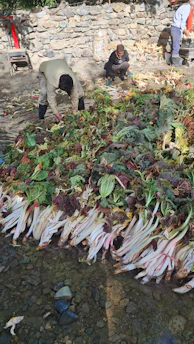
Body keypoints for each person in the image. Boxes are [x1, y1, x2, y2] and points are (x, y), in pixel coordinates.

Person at [170, 0, 194, 66]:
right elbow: (182, 23)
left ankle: (173, 61)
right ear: (193, 6)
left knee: (175, 45)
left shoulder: (185, 6)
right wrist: (186, 31)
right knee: (176, 46)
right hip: (176, 28)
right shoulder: (187, 9)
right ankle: (175, 64)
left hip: (175, 28)